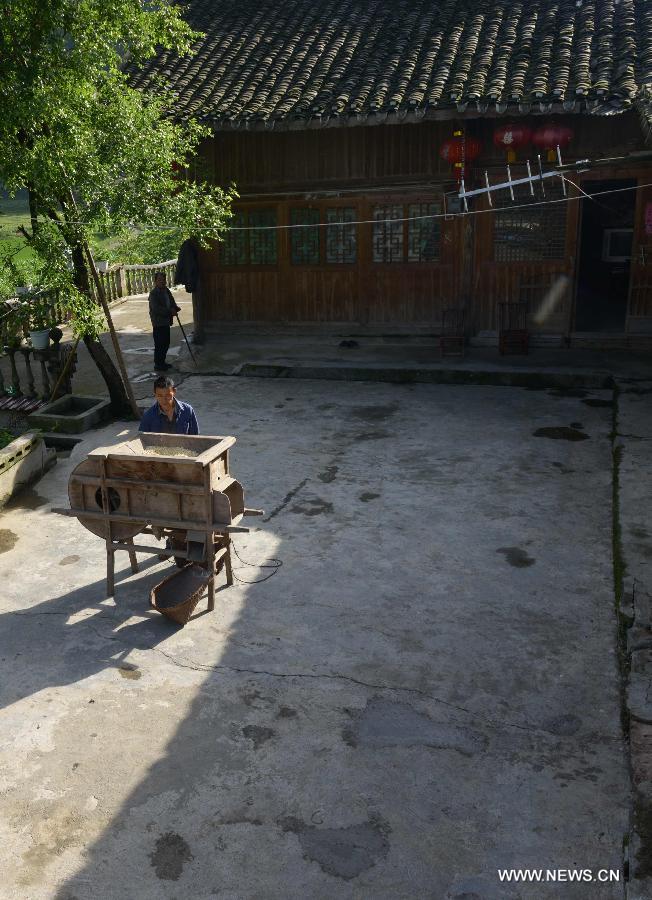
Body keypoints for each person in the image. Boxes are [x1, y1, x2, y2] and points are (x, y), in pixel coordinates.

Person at [148, 272, 181, 372]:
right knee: (159, 344)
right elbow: (156, 309)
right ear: (155, 281)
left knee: (166, 343)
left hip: (166, 322)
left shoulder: (166, 290)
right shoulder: (153, 294)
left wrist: (175, 308)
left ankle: (162, 362)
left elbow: (171, 301)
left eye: (163, 279)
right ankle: (158, 364)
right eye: (159, 280)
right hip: (158, 323)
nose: (162, 281)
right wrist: (170, 311)